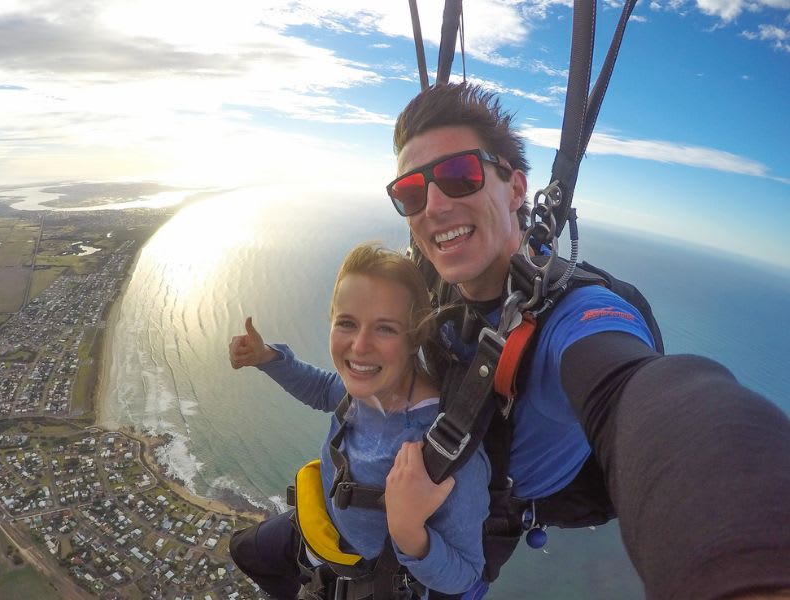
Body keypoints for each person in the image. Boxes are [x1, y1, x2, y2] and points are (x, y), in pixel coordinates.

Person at [236, 82, 790, 600]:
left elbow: (645, 397)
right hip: (373, 502)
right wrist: (272, 359)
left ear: (516, 186)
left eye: (459, 175)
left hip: (448, 536)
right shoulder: (435, 279)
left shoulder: (573, 318)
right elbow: (341, 383)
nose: (432, 206)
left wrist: (746, 565)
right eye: (410, 192)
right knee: (251, 553)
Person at [228, 242, 491, 598]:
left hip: (358, 576)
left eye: (384, 328)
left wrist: (409, 530)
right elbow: (324, 390)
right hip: (317, 529)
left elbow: (466, 575)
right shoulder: (369, 389)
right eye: (347, 323)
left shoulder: (443, 451)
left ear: (415, 337)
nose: (360, 345)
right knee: (244, 549)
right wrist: (269, 358)